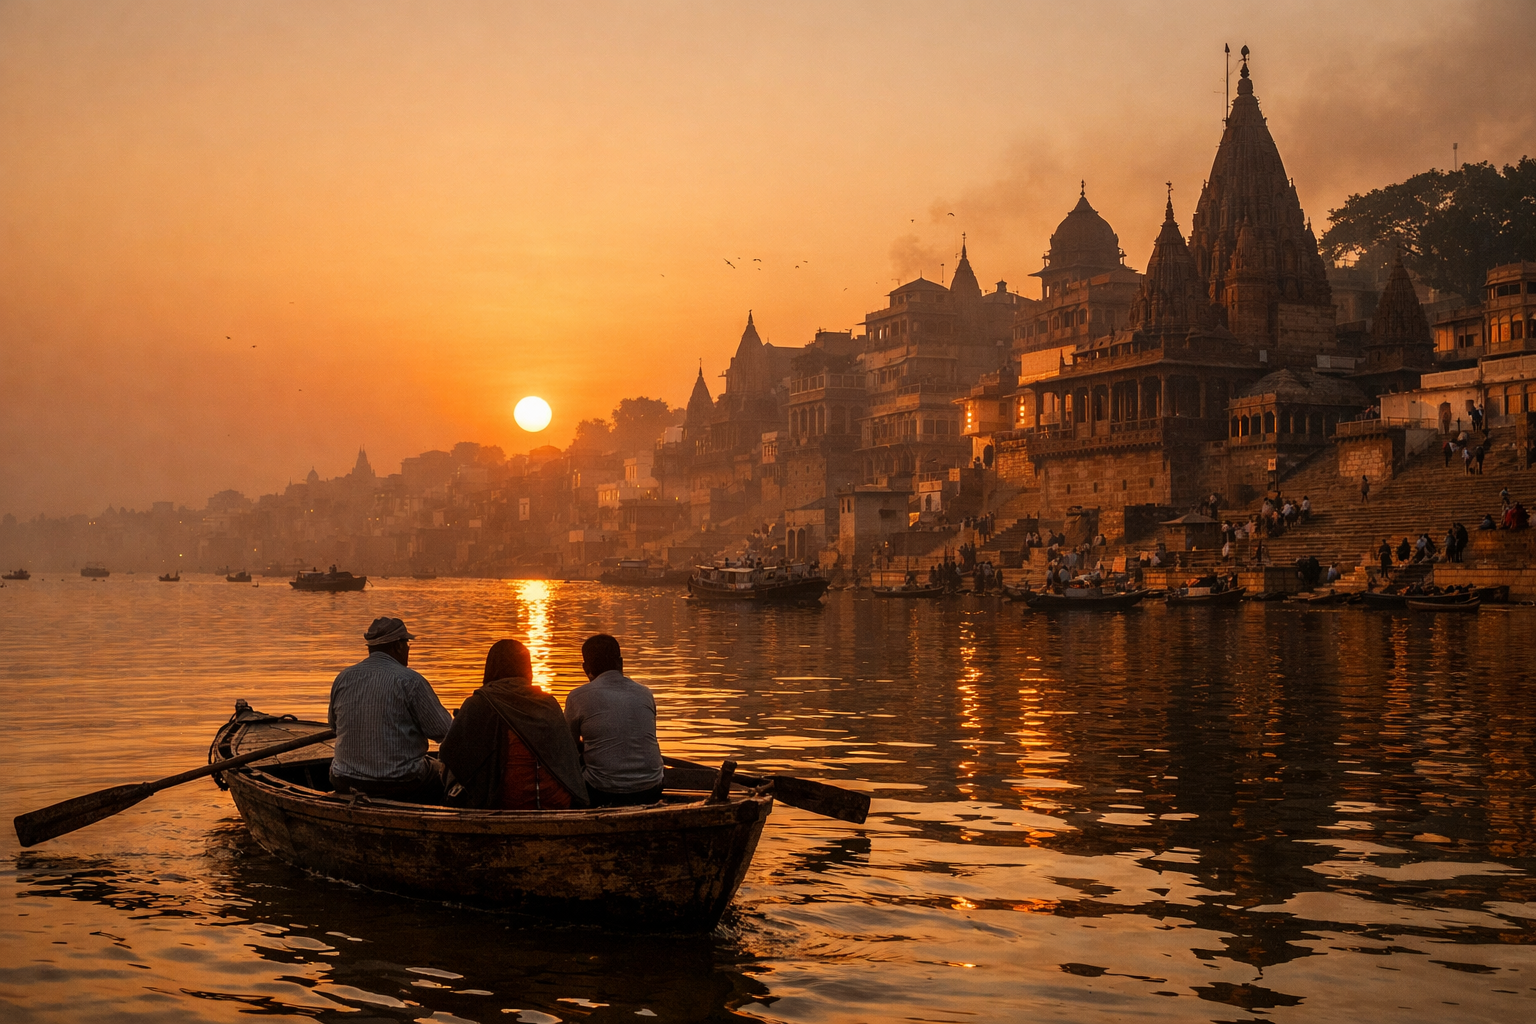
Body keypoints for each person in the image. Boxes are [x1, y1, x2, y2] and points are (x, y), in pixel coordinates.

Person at [438, 639, 589, 810]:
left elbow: (449, 754)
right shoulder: (549, 703)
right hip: (558, 801)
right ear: (527, 668)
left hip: (507, 802)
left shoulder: (478, 704)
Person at [328, 617, 453, 804]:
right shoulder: (410, 681)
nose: (408, 649)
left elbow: (334, 726)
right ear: (398, 646)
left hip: (343, 779)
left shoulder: (343, 677)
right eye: (407, 643)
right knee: (445, 773)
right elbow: (446, 732)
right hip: (401, 783)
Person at [564, 634, 665, 807]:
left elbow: (568, 749)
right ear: (620, 663)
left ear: (585, 667)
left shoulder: (577, 697)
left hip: (602, 791)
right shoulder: (645, 693)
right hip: (652, 787)